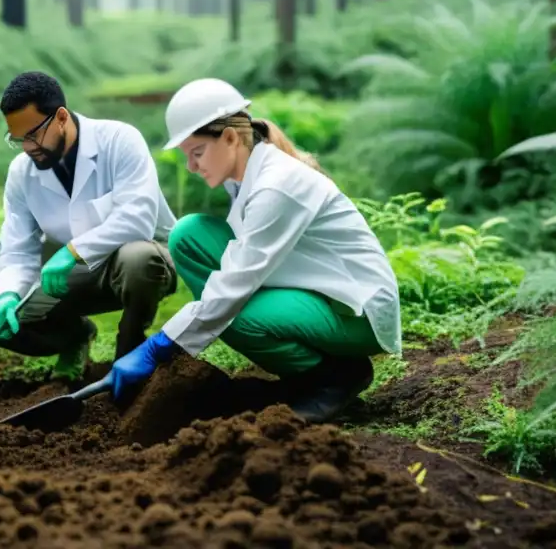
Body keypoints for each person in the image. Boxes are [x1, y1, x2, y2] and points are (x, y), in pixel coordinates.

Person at [105, 78, 402, 423]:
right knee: (188, 236)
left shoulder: (277, 185)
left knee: (232, 312)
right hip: (312, 289)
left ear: (230, 138)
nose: (191, 166)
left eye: (197, 153)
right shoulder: (245, 176)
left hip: (355, 312)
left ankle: (332, 378)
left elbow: (231, 288)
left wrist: (158, 345)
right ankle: (301, 359)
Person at [0, 71, 178, 379]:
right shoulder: (22, 173)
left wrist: (72, 252)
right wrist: (7, 296)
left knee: (138, 259)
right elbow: (16, 246)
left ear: (61, 117)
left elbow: (138, 217)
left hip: (146, 260)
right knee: (13, 326)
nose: (28, 147)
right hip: (80, 270)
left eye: (33, 135)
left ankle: (130, 352)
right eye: (19, 139)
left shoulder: (119, 140)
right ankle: (77, 336)